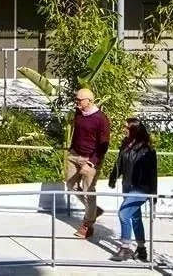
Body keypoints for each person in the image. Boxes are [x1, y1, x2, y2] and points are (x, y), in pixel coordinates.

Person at [108, 117, 157, 262]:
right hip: (127, 185)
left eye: (126, 127)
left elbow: (153, 173)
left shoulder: (147, 149)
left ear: (134, 129)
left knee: (123, 214)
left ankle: (125, 247)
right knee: (135, 217)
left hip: (141, 188)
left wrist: (154, 195)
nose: (123, 129)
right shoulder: (126, 144)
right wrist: (113, 177)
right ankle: (141, 249)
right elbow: (119, 162)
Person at [66, 87, 112, 239]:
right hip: (74, 155)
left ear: (89, 101)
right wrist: (71, 150)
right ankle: (93, 210)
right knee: (71, 185)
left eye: (79, 100)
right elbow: (77, 133)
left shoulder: (101, 119)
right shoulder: (78, 113)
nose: (76, 102)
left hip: (90, 159)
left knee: (88, 191)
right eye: (76, 99)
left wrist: (91, 163)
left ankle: (88, 224)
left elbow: (103, 145)